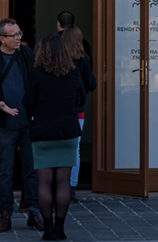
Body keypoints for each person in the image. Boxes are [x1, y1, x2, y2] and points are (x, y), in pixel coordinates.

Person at [0, 18, 45, 233]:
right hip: (3, 123)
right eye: (14, 35)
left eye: (19, 33)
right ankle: (5, 214)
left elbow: (37, 81)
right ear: (1, 38)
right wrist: (0, 104)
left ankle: (34, 212)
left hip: (28, 123)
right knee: (4, 172)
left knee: (32, 170)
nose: (19, 38)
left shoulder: (27, 54)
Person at [23, 34, 85, 241]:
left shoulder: (36, 75)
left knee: (44, 181)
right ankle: (61, 229)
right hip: (67, 131)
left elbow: (27, 102)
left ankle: (48, 230)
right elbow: (81, 99)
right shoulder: (74, 74)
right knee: (63, 181)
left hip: (42, 132)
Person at [61, 25, 95, 203]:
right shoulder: (83, 59)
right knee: (75, 150)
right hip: (77, 111)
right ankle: (71, 188)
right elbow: (91, 83)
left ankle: (57, 186)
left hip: (57, 110)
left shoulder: (57, 59)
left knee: (57, 148)